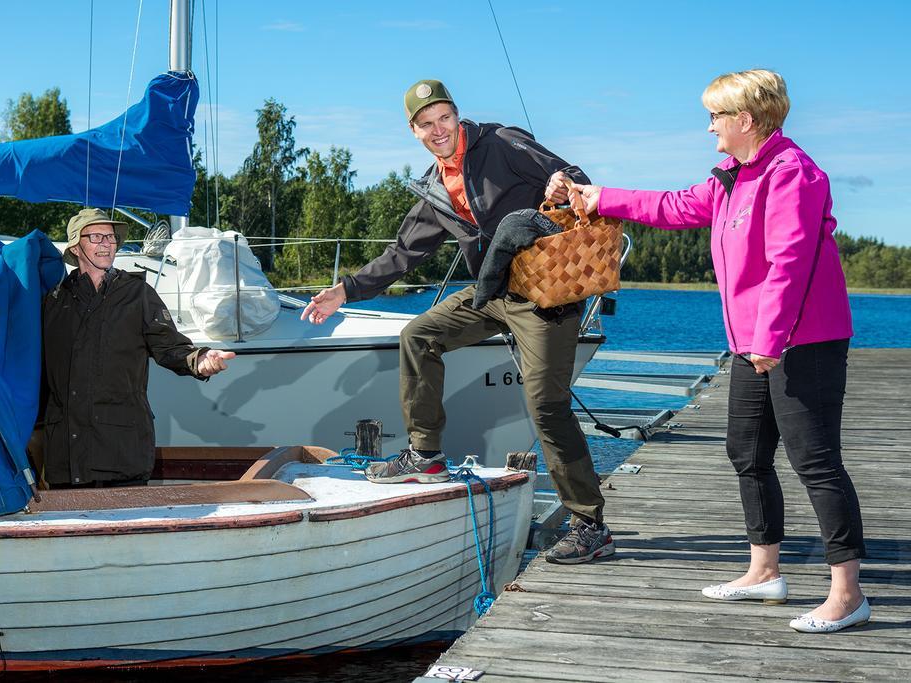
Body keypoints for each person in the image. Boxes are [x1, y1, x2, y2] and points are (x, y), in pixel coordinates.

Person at [556, 70, 868, 632]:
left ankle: (847, 592)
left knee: (815, 461)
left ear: (745, 120)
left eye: (715, 117)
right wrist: (601, 197)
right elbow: (674, 206)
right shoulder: (733, 176)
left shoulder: (791, 173)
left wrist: (770, 341)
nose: (709, 128)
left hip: (804, 339)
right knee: (746, 451)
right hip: (754, 342)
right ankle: (764, 571)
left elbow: (789, 265)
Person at [302, 79, 614, 565]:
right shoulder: (433, 188)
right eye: (426, 124)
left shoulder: (502, 143)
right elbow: (403, 254)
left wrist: (562, 183)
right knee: (418, 335)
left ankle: (589, 523)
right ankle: (425, 457)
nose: (438, 129)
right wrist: (345, 290)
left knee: (546, 406)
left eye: (444, 117)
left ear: (456, 114)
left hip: (546, 292)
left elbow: (571, 175)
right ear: (414, 131)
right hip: (492, 293)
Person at [40, 208, 235, 488]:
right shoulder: (54, 301)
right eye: (96, 236)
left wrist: (200, 359)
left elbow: (170, 346)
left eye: (111, 237)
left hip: (121, 451)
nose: (107, 243)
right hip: (65, 458)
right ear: (75, 246)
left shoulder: (137, 294)